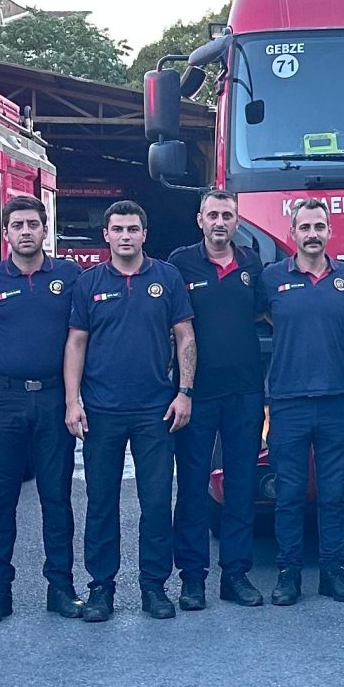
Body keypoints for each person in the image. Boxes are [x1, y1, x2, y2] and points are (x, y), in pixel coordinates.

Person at [65, 201, 195, 620]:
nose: (125, 236)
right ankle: (101, 588)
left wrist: (184, 392)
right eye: (118, 229)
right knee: (101, 502)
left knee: (156, 502)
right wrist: (72, 401)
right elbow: (76, 343)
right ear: (106, 234)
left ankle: (154, 588)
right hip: (101, 410)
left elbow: (184, 336)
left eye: (133, 229)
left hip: (156, 410)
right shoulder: (88, 283)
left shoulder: (167, 277)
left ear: (144, 234)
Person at [0, 196, 79, 622]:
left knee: (57, 498)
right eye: (17, 225)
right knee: (1, 499)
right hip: (3, 400)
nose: (26, 231)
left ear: (44, 229)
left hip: (54, 399)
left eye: (33, 224)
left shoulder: (68, 275)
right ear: (7, 232)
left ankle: (61, 588)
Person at [257, 199, 344, 606]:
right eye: (305, 227)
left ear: (329, 232)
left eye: (320, 226)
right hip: (287, 401)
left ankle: (333, 573)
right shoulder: (271, 279)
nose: (312, 234)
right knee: (289, 493)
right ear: (292, 233)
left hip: (337, 400)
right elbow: (259, 315)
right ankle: (289, 574)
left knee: (334, 494)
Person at [169, 189, 266, 608]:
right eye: (213, 215)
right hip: (197, 396)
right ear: (200, 220)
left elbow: (269, 314)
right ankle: (192, 579)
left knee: (241, 486)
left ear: (238, 221)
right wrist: (178, 389)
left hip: (245, 393)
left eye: (228, 215)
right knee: (192, 487)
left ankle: (236, 575)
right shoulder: (180, 264)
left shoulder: (251, 265)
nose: (220, 222)